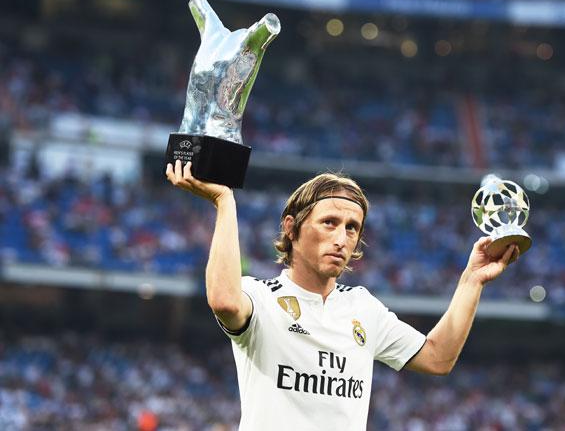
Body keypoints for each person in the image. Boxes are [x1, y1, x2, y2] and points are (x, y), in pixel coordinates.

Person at [166, 159, 519, 430]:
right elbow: (224, 300)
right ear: (292, 228)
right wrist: (224, 202)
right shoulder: (261, 297)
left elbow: (438, 357)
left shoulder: (362, 307)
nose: (342, 238)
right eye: (329, 222)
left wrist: (472, 281)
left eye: (352, 228)